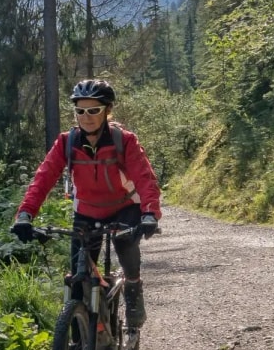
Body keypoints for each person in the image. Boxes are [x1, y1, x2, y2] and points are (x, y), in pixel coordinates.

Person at [10, 79, 161, 328]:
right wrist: (25, 214)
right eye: (80, 111)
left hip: (125, 207)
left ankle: (133, 290)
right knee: (78, 278)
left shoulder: (124, 141)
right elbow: (43, 178)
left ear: (107, 111)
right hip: (87, 211)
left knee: (124, 242)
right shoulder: (66, 142)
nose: (86, 117)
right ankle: (78, 345)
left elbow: (145, 179)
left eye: (94, 110)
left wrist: (150, 214)